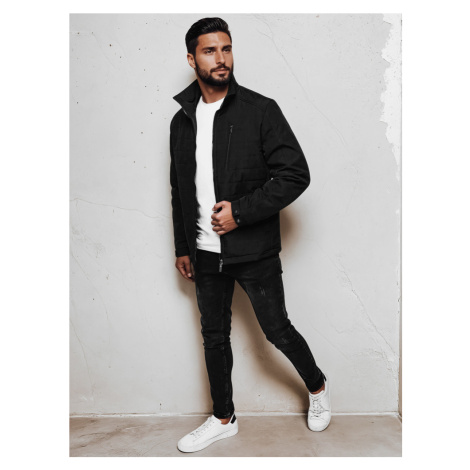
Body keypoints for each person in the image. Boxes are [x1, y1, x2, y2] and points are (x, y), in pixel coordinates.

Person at [169, 17, 331, 453]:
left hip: (253, 249)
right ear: (192, 59)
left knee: (277, 330)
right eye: (209, 51)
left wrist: (239, 214)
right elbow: (180, 189)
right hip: (204, 253)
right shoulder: (181, 121)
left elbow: (295, 174)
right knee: (213, 336)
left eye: (226, 48)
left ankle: (317, 387)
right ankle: (224, 417)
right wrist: (183, 246)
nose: (220, 58)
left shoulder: (260, 110)